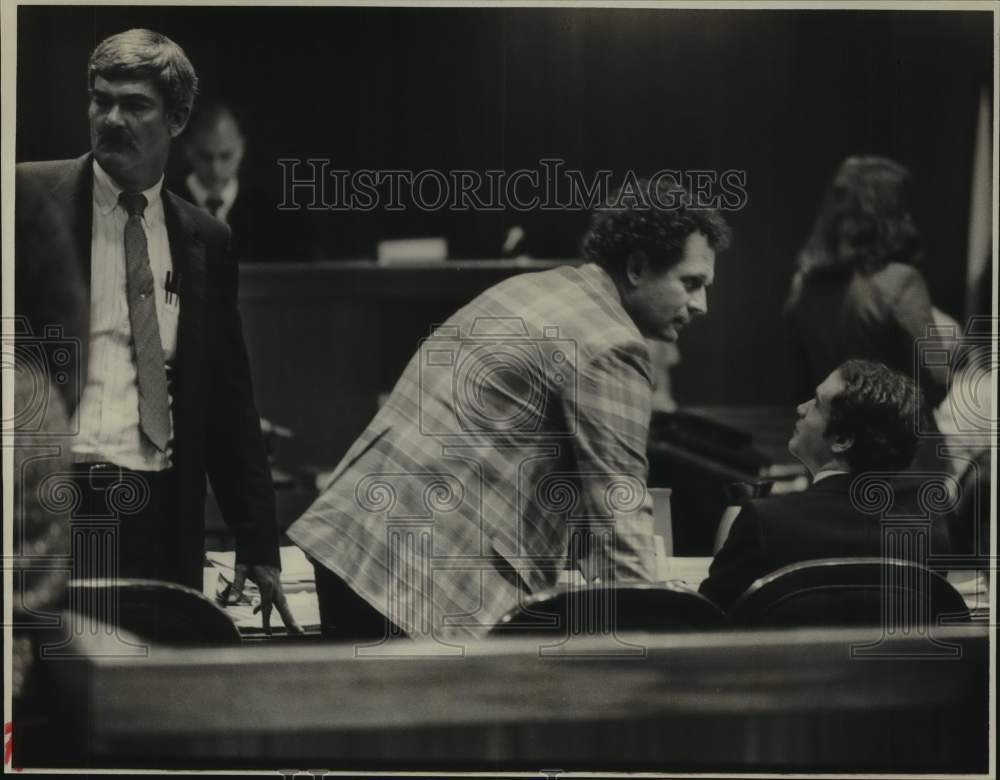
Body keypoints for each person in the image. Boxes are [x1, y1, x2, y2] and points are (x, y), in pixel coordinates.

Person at [288, 178, 732, 640]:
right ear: (638, 267)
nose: (701, 305)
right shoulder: (611, 343)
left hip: (350, 542)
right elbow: (619, 514)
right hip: (417, 583)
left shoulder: (534, 288)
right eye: (691, 283)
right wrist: (659, 641)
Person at [15, 29, 299, 633]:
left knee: (151, 693)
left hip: (159, 508)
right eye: (101, 99)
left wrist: (258, 545)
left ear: (176, 119)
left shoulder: (206, 241)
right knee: (45, 694)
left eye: (135, 105)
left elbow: (228, 399)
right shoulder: (25, 198)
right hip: (50, 500)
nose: (111, 118)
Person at [699, 359, 952, 610]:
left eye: (817, 404)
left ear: (841, 439)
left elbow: (708, 617)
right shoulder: (929, 542)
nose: (801, 408)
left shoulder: (765, 523)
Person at [785, 156, 950, 409]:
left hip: (831, 436)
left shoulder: (803, 286)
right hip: (896, 438)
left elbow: (796, 379)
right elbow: (937, 378)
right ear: (890, 213)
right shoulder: (902, 281)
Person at [177, 101, 320, 261]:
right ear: (188, 150)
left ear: (241, 149)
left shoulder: (272, 213)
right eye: (205, 157)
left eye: (225, 156)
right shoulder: (160, 205)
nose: (215, 169)